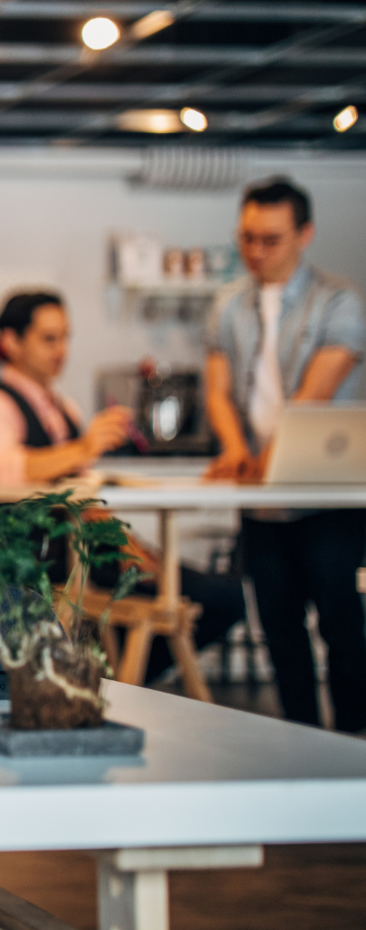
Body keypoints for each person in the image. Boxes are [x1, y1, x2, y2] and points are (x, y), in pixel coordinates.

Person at [0, 291, 243, 681]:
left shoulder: (64, 406)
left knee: (218, 594)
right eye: (49, 338)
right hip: (40, 557)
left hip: (85, 549)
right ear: (11, 342)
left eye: (65, 337)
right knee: (221, 598)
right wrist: (84, 448)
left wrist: (125, 541)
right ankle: (116, 677)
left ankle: (115, 674)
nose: (62, 349)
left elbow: (80, 490)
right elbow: (3, 471)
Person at [201, 177, 365, 731]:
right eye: (247, 238)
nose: (256, 252)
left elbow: (313, 395)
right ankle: (298, 740)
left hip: (324, 493)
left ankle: (352, 744)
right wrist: (234, 448)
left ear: (304, 235)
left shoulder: (337, 301)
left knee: (341, 625)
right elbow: (218, 389)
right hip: (259, 498)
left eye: (270, 239)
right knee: (278, 626)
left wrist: (263, 458)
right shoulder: (228, 305)